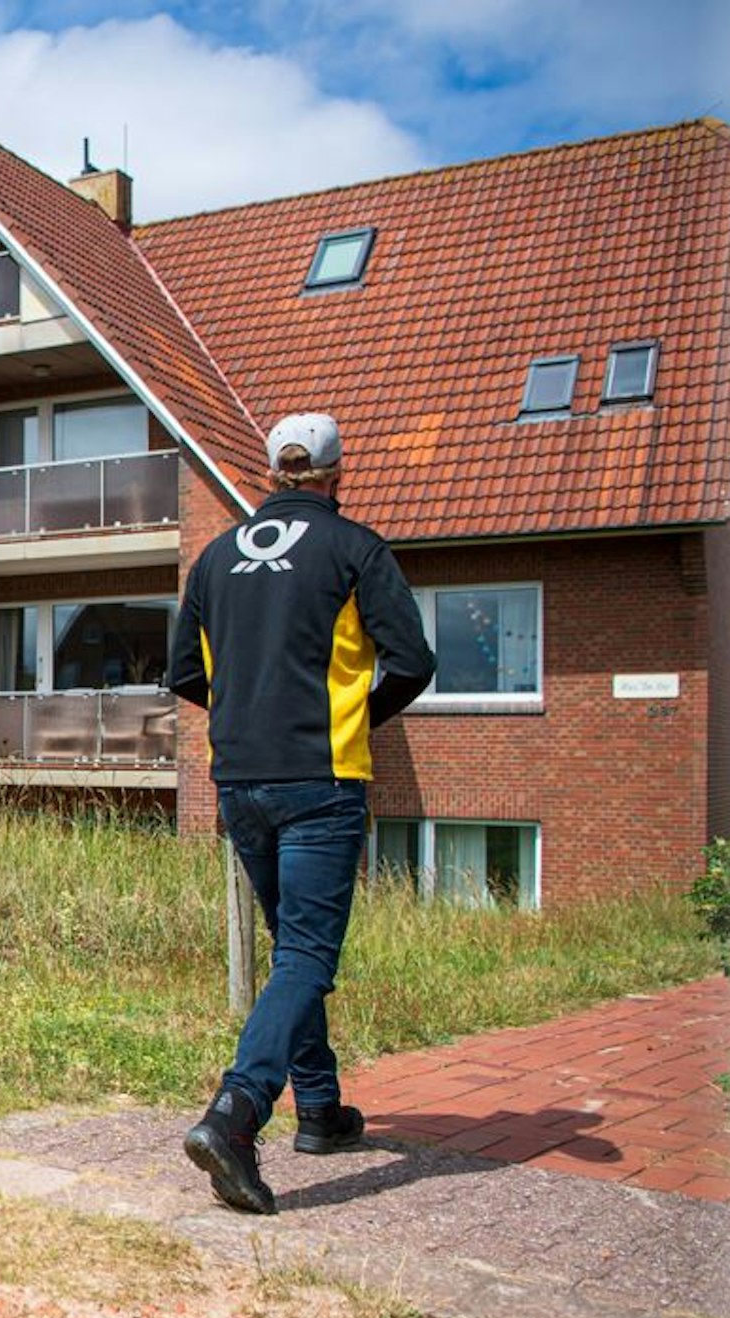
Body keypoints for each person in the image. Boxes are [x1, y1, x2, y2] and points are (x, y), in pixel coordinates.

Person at [167, 412, 435, 1214]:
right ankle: (237, 1113)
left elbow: (184, 671)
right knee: (310, 957)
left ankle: (318, 1110)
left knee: (294, 952)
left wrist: (246, 715)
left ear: (272, 474)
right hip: (321, 780)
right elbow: (414, 662)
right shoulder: (354, 548)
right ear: (335, 474)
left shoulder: (217, 558)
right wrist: (353, 715)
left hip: (240, 779)